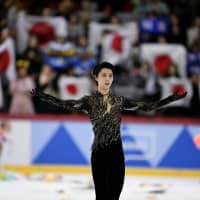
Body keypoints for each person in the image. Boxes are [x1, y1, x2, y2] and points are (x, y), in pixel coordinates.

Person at [31, 62, 187, 200]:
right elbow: (66, 104)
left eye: (110, 75)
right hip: (99, 154)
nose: (107, 78)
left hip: (117, 155)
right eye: (104, 75)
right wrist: (43, 96)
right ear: (96, 78)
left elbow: (147, 107)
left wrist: (170, 99)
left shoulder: (119, 101)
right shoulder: (89, 102)